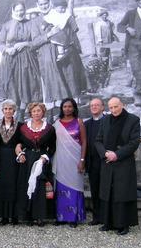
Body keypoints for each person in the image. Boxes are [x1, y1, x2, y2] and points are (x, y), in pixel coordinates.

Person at [30, 0, 86, 106]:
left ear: (49, 3)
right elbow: (34, 42)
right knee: (57, 86)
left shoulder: (59, 15)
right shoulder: (35, 22)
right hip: (48, 57)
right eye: (41, 4)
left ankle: (72, 113)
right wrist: (49, 34)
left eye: (45, 3)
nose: (44, 6)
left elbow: (70, 32)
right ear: (37, 6)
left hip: (65, 55)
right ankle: (57, 113)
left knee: (70, 82)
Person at [95, 97, 140, 235]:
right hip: (108, 162)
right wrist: (105, 154)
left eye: (116, 106)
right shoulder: (105, 120)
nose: (113, 110)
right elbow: (98, 141)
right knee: (108, 192)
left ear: (123, 105)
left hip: (124, 162)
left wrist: (117, 154)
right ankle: (108, 222)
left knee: (122, 193)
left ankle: (123, 225)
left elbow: (134, 143)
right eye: (111, 107)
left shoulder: (133, 120)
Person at [0, 1, 42, 121]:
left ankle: (22, 112)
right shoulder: (7, 25)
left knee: (26, 84)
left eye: (22, 10)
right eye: (17, 10)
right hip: (10, 60)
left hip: (26, 58)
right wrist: (7, 49)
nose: (20, 12)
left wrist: (25, 43)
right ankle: (14, 110)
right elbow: (0, 44)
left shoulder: (30, 24)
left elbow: (36, 40)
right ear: (13, 11)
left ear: (25, 10)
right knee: (13, 85)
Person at [15, 103, 56, 226]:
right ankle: (28, 216)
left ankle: (40, 216)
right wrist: (20, 154)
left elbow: (53, 147)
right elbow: (18, 144)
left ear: (43, 112)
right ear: (30, 113)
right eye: (34, 111)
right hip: (27, 160)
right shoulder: (23, 128)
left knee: (40, 187)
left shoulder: (49, 128)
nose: (36, 113)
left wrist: (45, 157)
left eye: (39, 111)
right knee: (26, 186)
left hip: (42, 160)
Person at [52, 98, 87, 228]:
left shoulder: (79, 122)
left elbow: (84, 142)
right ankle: (61, 217)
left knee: (74, 187)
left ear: (74, 108)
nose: (67, 109)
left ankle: (73, 217)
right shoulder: (57, 123)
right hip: (61, 160)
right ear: (61, 108)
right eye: (65, 106)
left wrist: (82, 160)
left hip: (75, 160)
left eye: (70, 106)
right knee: (61, 188)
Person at [0, 99, 22, 225]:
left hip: (14, 160)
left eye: (10, 109)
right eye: (6, 109)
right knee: (2, 186)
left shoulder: (20, 125)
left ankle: (14, 216)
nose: (8, 111)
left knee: (14, 186)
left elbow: (23, 141)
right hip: (0, 159)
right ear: (2, 110)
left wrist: (19, 145)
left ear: (14, 111)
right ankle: (3, 216)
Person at [117, 0, 141, 108]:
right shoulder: (130, 13)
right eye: (139, 0)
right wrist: (127, 28)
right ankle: (139, 93)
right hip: (133, 46)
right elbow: (119, 26)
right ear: (136, 2)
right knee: (136, 69)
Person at [84, 98, 105, 225]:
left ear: (103, 107)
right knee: (95, 191)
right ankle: (97, 217)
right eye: (92, 105)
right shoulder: (86, 124)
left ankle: (108, 216)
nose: (94, 107)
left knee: (107, 190)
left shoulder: (108, 121)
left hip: (106, 162)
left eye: (97, 105)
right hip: (93, 163)